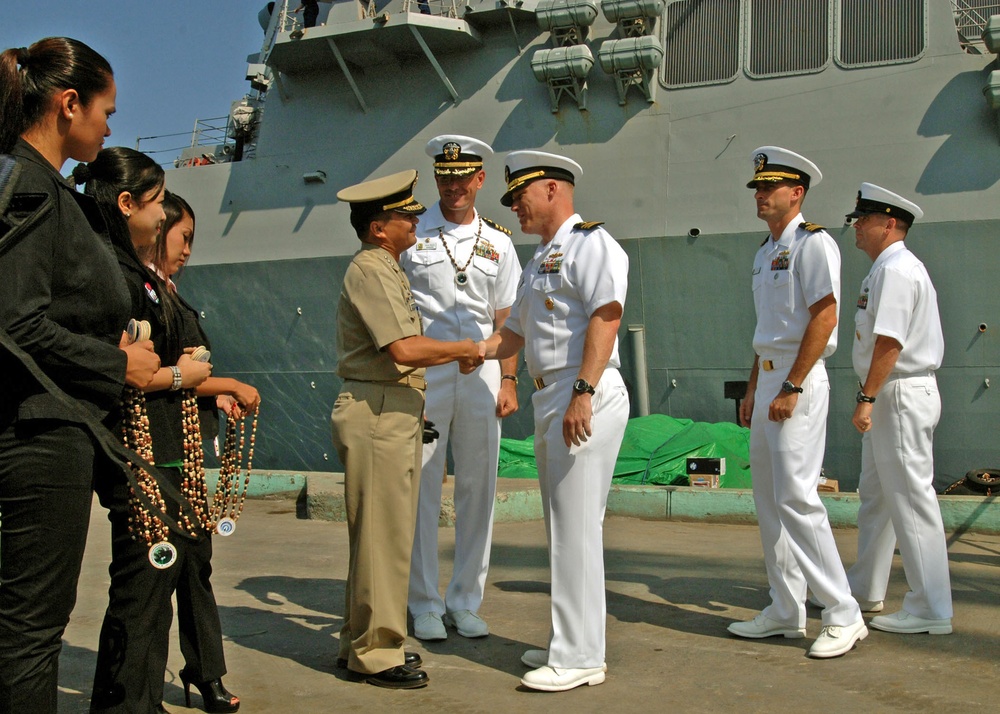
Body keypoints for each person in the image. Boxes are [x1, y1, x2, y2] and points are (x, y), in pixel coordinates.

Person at [0, 38, 160, 714]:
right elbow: (14, 320)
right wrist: (117, 362)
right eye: (106, 111)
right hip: (42, 430)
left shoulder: (49, 187)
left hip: (62, 425)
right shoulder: (33, 186)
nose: (109, 126)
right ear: (70, 105)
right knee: (32, 628)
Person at [73, 147, 219, 713]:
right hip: (134, 444)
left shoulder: (141, 279)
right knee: (141, 581)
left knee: (155, 582)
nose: (164, 219)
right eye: (159, 204)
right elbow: (124, 362)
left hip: (159, 443)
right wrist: (185, 373)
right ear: (129, 203)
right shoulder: (116, 275)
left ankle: (137, 698)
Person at [479, 150, 630, 692]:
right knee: (565, 527)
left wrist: (583, 394)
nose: (515, 205)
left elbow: (606, 315)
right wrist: (468, 351)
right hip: (552, 396)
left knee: (576, 529)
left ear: (551, 189)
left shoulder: (592, 244)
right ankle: (569, 642)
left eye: (520, 194)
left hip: (580, 391)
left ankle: (581, 657)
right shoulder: (541, 256)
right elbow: (512, 334)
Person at [332, 169, 484, 689]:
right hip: (377, 411)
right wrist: (468, 349)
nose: (416, 218)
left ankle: (360, 641)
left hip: (390, 407)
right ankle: (377, 653)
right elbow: (402, 349)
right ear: (379, 228)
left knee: (377, 536)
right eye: (405, 215)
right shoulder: (373, 270)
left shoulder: (386, 266)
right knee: (385, 538)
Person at [730, 146, 866, 659]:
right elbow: (768, 331)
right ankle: (786, 609)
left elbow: (825, 317)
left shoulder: (814, 245)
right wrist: (753, 387)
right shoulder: (765, 251)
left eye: (770, 187)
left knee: (797, 497)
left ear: (797, 193)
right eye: (757, 188)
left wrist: (790, 386)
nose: (761, 195)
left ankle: (842, 612)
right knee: (768, 500)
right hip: (768, 380)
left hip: (797, 384)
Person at [401, 135, 521, 642]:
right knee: (423, 488)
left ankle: (465, 600)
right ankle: (424, 602)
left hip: (482, 372)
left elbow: (507, 317)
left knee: (479, 487)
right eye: (445, 177)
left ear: (480, 180)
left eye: (463, 177)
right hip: (427, 373)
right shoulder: (411, 235)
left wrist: (510, 379)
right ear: (436, 179)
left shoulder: (500, 240)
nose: (453, 187)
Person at [146, 190, 261, 711]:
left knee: (196, 566)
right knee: (153, 577)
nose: (189, 249)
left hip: (188, 451)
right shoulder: (146, 297)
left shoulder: (171, 296)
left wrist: (217, 398)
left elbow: (189, 379)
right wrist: (228, 384)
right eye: (183, 237)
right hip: (160, 453)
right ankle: (140, 689)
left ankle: (205, 672)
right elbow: (164, 375)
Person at [844, 183, 952, 635]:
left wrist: (867, 397)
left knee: (910, 498)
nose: (857, 227)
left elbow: (890, 341)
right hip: (891, 392)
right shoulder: (884, 269)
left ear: (889, 224)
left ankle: (931, 607)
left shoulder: (897, 270)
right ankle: (866, 588)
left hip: (899, 393)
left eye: (864, 220)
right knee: (879, 496)